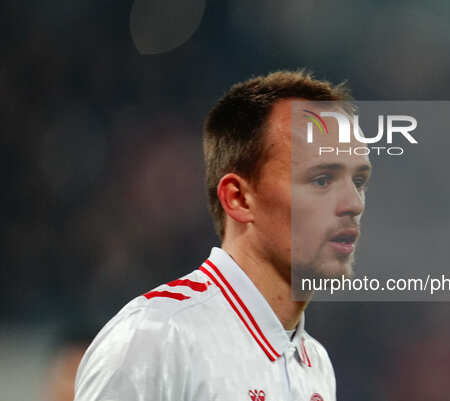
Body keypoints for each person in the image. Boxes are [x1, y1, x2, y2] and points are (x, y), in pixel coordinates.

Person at [74, 70, 371, 401]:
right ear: (239, 198)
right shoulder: (156, 338)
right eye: (321, 180)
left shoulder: (315, 363)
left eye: (358, 182)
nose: (353, 203)